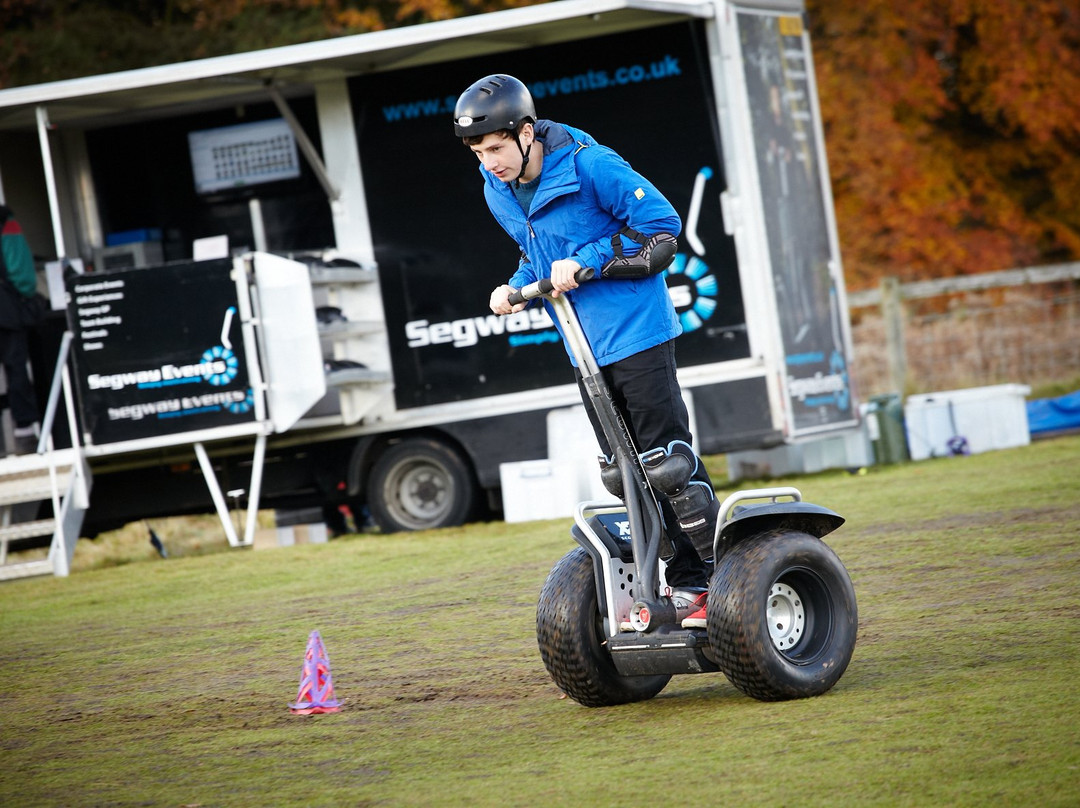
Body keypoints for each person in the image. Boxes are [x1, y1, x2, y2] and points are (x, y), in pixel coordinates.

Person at [454, 74, 719, 628]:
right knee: (623, 475)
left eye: (497, 147)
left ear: (527, 132)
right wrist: (515, 286)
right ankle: (669, 586)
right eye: (479, 152)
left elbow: (662, 229)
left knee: (666, 464)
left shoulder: (590, 164)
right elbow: (541, 256)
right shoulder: (493, 189)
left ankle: (713, 581)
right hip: (585, 348)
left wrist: (591, 259)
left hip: (638, 330)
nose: (489, 161)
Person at [0, 204, 42, 455]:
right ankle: (25, 434)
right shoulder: (6, 221)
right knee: (16, 368)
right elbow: (23, 275)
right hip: (6, 309)